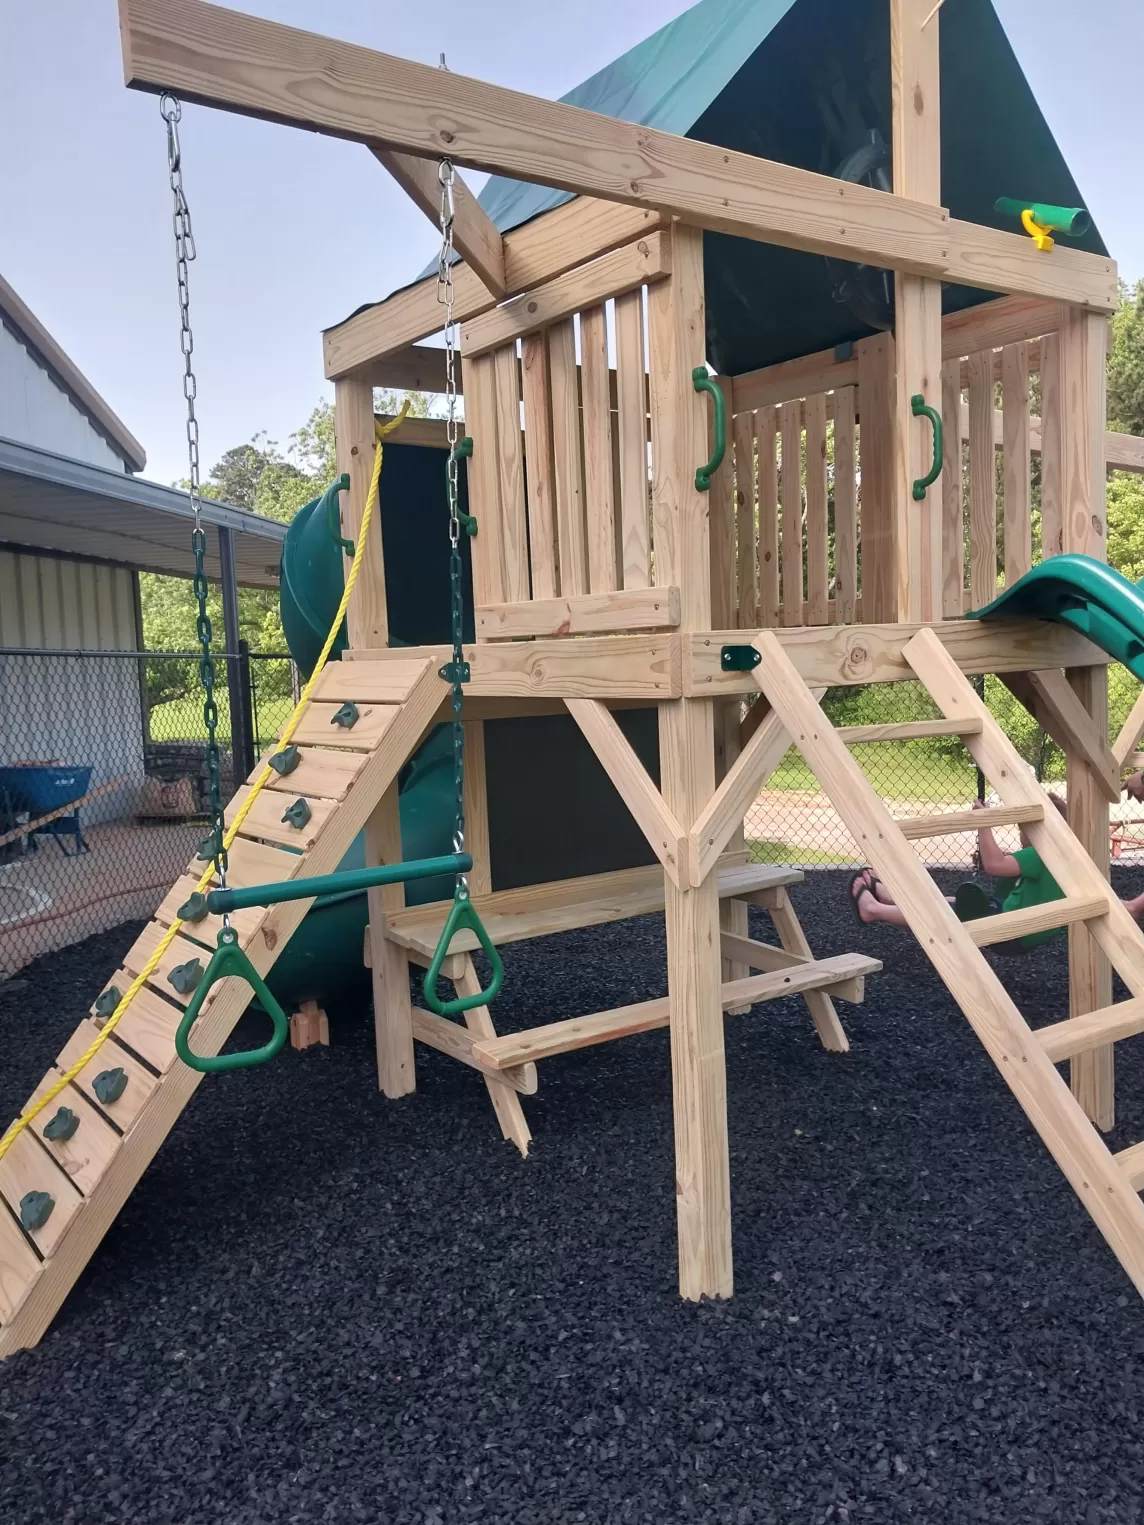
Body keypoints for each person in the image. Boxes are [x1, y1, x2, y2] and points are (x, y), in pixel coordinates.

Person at [850, 793, 1144, 946]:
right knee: (953, 902)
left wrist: (983, 823)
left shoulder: (1041, 854)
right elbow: (1118, 905)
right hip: (1017, 923)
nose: (1020, 836)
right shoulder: (1074, 859)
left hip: (1010, 930)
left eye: (1021, 829)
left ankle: (874, 909)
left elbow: (993, 865)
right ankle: (889, 897)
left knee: (941, 911)